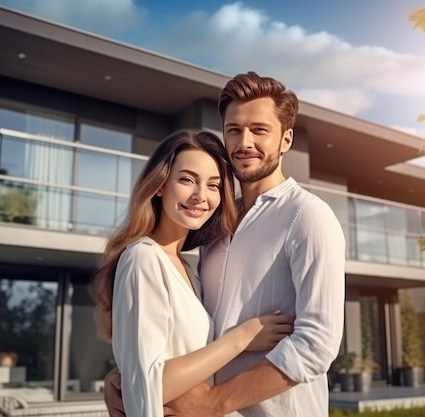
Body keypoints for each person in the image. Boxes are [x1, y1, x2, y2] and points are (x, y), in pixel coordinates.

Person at [106, 72, 346, 417]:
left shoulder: (307, 216)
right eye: (234, 129)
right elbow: (178, 331)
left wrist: (213, 403)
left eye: (259, 130)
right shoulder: (214, 225)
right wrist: (124, 378)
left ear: (286, 139)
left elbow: (317, 344)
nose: (244, 141)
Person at [90, 129, 294, 417]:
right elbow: (150, 384)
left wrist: (121, 375)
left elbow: (159, 362)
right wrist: (242, 337)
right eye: (187, 180)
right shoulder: (143, 258)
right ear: (160, 185)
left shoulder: (190, 268)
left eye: (213, 185)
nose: (201, 196)